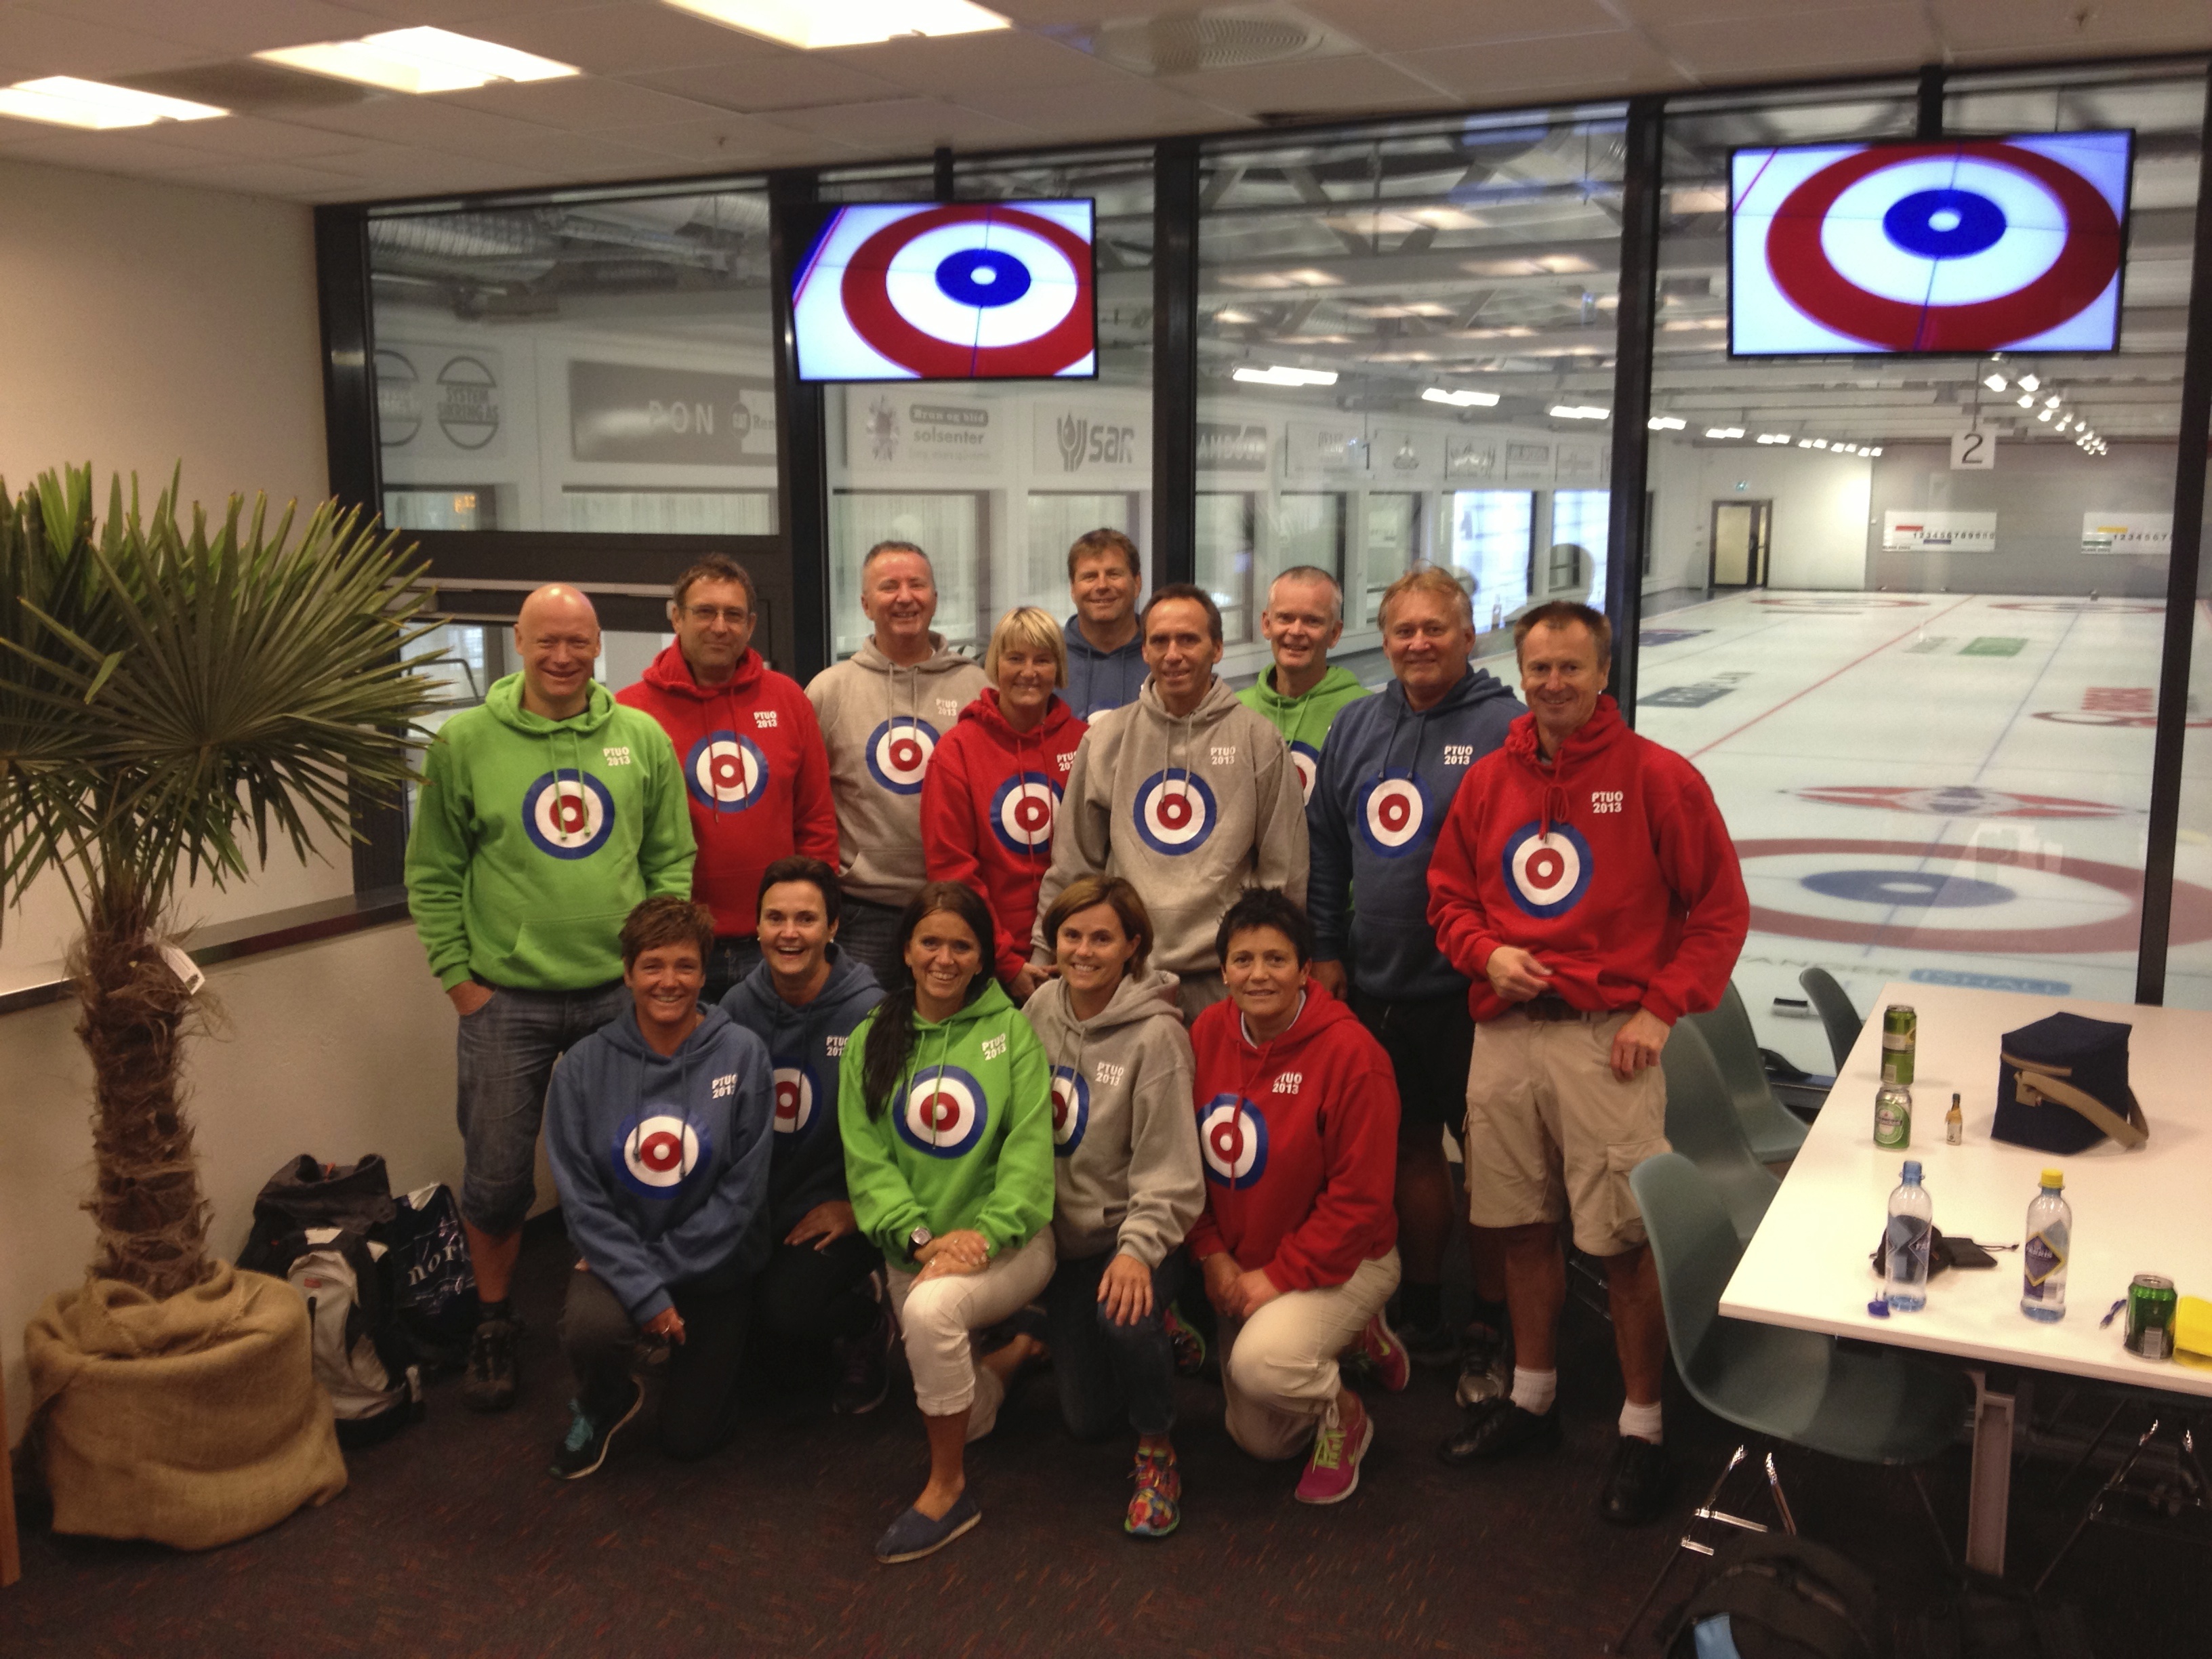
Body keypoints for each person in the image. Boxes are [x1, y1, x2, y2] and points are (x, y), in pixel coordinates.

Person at [1427, 598, 1749, 1526]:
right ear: (1520, 673)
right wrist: (1484, 952)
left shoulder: (1659, 779)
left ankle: (1643, 1428)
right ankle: (1533, 1399)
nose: (1554, 683)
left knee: (1623, 1242)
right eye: (1539, 668)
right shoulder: (1490, 782)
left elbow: (1720, 912)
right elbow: (1448, 896)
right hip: (1505, 1036)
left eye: (1572, 667)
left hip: (1607, 1043)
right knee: (1519, 1225)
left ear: (1605, 673)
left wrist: (1660, 1007)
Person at [405, 583, 695, 1412]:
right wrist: (461, 983)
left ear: (598, 644)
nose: (563, 657)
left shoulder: (640, 737)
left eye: (577, 641)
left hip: (619, 996)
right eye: (546, 641)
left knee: (639, 1159)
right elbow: (434, 872)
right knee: (498, 1177)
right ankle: (495, 1321)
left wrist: (657, 967)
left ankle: (637, 1305)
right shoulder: (465, 742)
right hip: (507, 1001)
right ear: (520, 642)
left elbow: (671, 858)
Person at [1308, 565, 1521, 1395]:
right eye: (1405, 630)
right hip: (1378, 984)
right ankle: (1425, 1301)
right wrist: (1328, 947)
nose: (1420, 642)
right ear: (1385, 640)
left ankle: (1491, 1318)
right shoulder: (1357, 725)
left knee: (1492, 1164)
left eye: (1437, 628)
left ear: (1469, 636)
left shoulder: (1506, 726)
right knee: (1409, 1150)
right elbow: (1327, 848)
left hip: (1475, 994)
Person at [838, 881, 1057, 1563]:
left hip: (1011, 1244)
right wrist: (923, 1240)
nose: (944, 958)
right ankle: (1017, 1353)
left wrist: (982, 1236)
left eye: (961, 946)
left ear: (982, 957)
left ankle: (948, 1489)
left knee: (931, 1316)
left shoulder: (1011, 1032)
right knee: (973, 1415)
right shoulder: (872, 1038)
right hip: (916, 1248)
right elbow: (867, 1163)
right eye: (930, 942)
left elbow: (1028, 1156)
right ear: (905, 950)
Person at [543, 897, 775, 1477]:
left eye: (685, 966)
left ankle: (718, 1353)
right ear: (627, 972)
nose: (669, 982)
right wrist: (643, 1288)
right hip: (621, 1255)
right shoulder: (582, 1067)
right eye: (652, 965)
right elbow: (582, 1199)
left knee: (689, 1439)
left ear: (703, 972)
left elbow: (742, 1196)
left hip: (717, 1263)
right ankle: (604, 1399)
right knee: (592, 1330)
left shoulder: (743, 1053)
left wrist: (650, 1275)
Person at [1188, 889, 1406, 1506]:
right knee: (1262, 1441)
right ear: (1223, 970)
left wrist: (1276, 1278)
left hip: (1349, 1258)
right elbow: (1184, 1165)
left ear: (1306, 970)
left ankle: (1345, 1411)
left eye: (1277, 959)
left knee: (1263, 1368)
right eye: (1243, 960)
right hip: (1244, 1262)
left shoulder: (1353, 1057)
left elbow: (1359, 1204)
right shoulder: (1205, 1033)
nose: (1258, 975)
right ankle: (1347, 1340)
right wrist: (1211, 1253)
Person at [1033, 583, 1308, 1024]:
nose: (1173, 654)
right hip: (1126, 976)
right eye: (1160, 641)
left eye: (1188, 639)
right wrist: (1044, 949)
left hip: (1225, 982)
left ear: (1217, 648)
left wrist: (1270, 968)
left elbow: (1284, 873)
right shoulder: (1106, 740)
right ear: (1144, 650)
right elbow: (1073, 864)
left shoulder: (1258, 740)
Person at [1023, 877, 1204, 1538]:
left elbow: (1172, 1173)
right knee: (1087, 1421)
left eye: (1102, 938)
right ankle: (1162, 1331)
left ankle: (1158, 1449)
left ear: (1133, 946)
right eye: (1071, 935)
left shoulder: (1157, 1038)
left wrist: (1137, 1253)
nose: (1083, 950)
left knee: (1124, 1318)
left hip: (1131, 1236)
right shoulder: (1040, 1007)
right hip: (1063, 1239)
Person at [619, 555, 838, 1004]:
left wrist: (816, 919)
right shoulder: (631, 712)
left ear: (751, 625)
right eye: (705, 612)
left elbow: (815, 820)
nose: (720, 627)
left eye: (733, 615)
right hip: (678, 948)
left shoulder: (787, 699)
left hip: (776, 942)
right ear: (676, 617)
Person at [718, 857, 895, 1414]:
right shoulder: (736, 1008)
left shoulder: (870, 1013)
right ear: (757, 926)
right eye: (775, 918)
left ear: (833, 927)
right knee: (769, 1375)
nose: (789, 934)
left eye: (806, 919)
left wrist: (857, 1207)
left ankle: (868, 1317)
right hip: (759, 1209)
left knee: (788, 1313)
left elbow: (901, 1134)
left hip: (837, 1209)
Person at [807, 541, 989, 987]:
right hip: (864, 911)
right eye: (889, 586)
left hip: (955, 906)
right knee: (865, 1026)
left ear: (935, 599)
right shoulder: (829, 691)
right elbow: (809, 804)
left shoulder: (976, 685)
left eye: (917, 585)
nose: (905, 597)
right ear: (866, 605)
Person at [921, 607, 1087, 1003]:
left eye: (1042, 660)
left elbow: (1096, 858)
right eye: (1015, 658)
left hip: (1076, 955)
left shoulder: (1086, 743)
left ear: (1058, 668)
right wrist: (1005, 960)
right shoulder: (958, 749)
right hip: (985, 959)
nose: (1029, 672)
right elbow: (952, 868)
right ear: (996, 664)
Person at [1237, 566, 1370, 804]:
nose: (1296, 631)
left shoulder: (1364, 714)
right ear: (1266, 624)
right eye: (1285, 618)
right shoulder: (1237, 710)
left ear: (1335, 633)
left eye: (1312, 621)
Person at [1061, 527, 1147, 719]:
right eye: (1089, 577)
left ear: (1137, 583)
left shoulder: (1163, 657)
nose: (1102, 586)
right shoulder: (1047, 659)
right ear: (1073, 589)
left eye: (1114, 574)